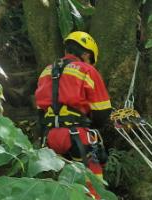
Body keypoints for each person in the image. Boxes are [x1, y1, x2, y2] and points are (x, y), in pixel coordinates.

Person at [34, 31, 112, 184]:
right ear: (85, 54)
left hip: (50, 137)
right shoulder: (87, 70)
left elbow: (40, 112)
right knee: (93, 181)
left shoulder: (46, 72)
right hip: (78, 136)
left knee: (58, 183)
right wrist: (92, 125)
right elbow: (102, 112)